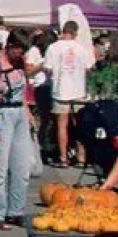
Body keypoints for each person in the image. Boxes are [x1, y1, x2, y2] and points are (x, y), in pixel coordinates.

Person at [0, 30, 36, 230]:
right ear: (10, 46)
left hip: (19, 111)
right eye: (19, 50)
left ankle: (16, 210)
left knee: (21, 167)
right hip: (1, 113)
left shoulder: (19, 64)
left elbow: (23, 93)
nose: (22, 55)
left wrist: (28, 113)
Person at [43, 20, 96, 167]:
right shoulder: (81, 48)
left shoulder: (53, 48)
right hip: (78, 90)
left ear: (63, 31)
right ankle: (81, 157)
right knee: (80, 124)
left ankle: (63, 158)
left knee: (61, 126)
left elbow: (47, 68)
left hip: (61, 90)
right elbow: (89, 68)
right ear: (75, 33)